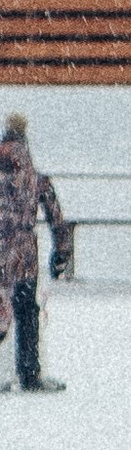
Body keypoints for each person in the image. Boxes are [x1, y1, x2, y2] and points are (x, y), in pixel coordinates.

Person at [1, 111, 71, 393]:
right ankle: (29, 373)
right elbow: (57, 218)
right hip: (24, 252)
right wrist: (61, 253)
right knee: (27, 310)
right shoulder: (35, 177)